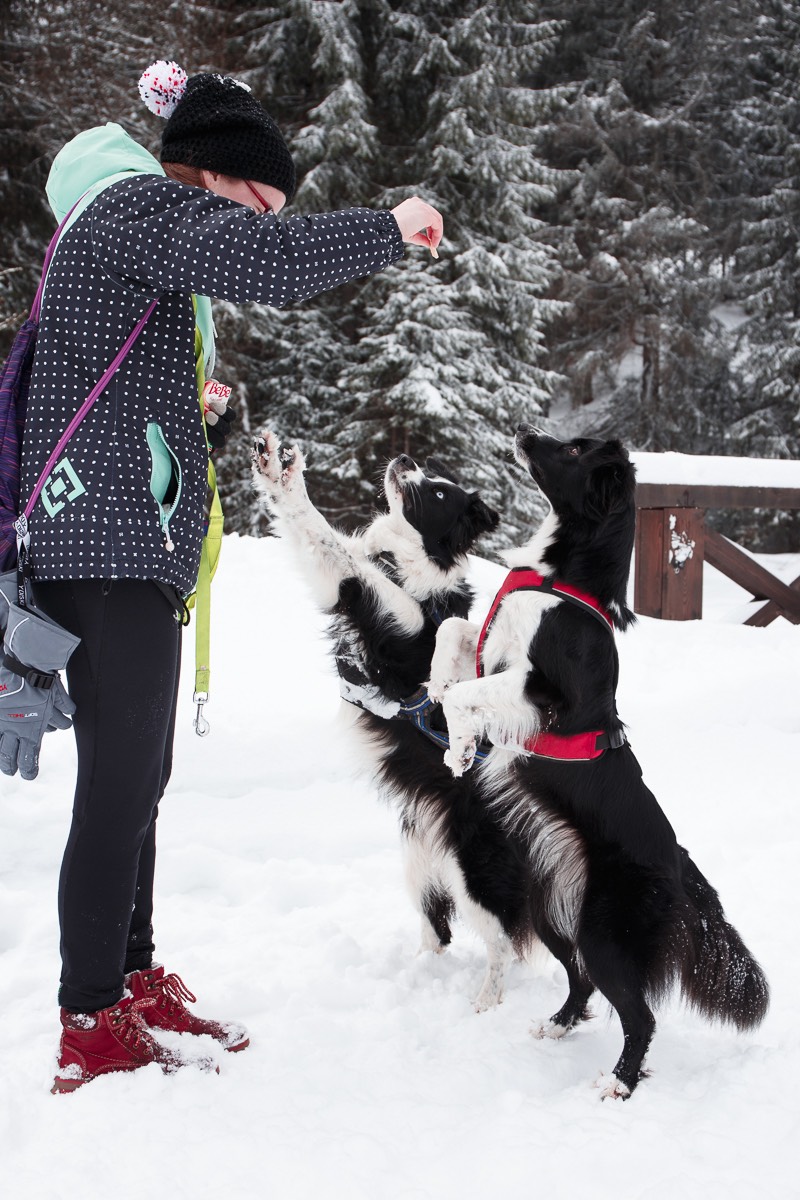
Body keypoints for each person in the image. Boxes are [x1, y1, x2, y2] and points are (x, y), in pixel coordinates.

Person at [17, 59, 443, 1093]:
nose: (255, 227)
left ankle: (127, 974)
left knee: (141, 783)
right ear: (208, 175)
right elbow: (276, 263)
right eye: (257, 203)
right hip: (104, 549)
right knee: (118, 790)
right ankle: (87, 1018)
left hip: (117, 541)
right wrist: (392, 225)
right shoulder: (138, 206)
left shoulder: (126, 226)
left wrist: (182, 407)